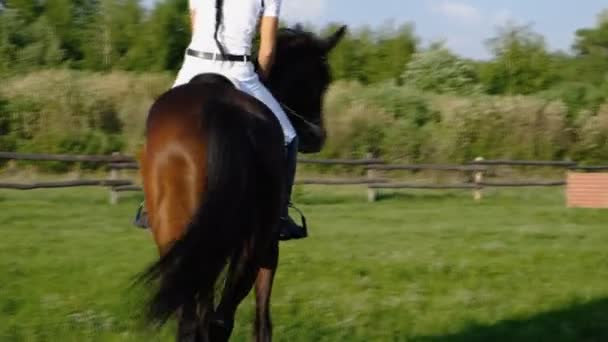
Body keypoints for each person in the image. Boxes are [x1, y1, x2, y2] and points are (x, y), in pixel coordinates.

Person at [134, 0, 307, 241]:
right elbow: (267, 50)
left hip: (194, 65)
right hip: (240, 73)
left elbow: (196, 30)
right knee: (289, 137)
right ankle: (279, 216)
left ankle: (151, 204)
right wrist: (261, 79)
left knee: (158, 126)